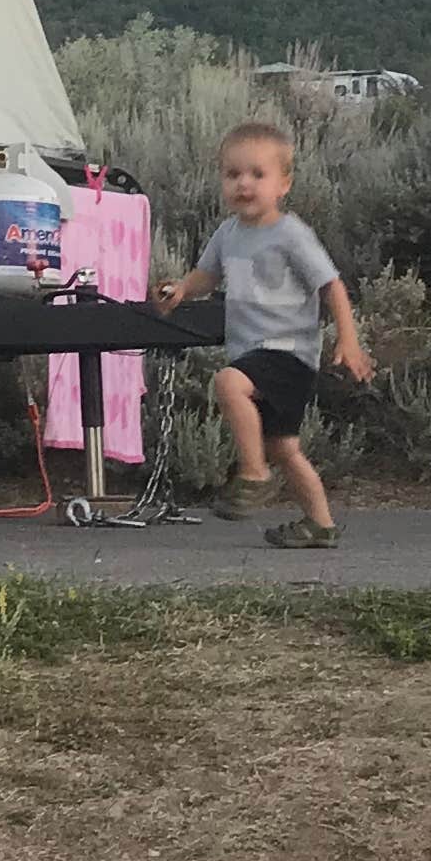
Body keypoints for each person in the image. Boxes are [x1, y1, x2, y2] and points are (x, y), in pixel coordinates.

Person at [153, 119, 374, 549]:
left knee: (228, 382)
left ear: (283, 184)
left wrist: (348, 340)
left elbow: (332, 285)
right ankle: (320, 525)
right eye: (233, 174)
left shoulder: (291, 234)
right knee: (285, 447)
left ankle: (253, 475)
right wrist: (182, 289)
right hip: (254, 352)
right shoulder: (228, 233)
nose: (244, 184)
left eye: (257, 174)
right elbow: (207, 275)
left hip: (288, 353)